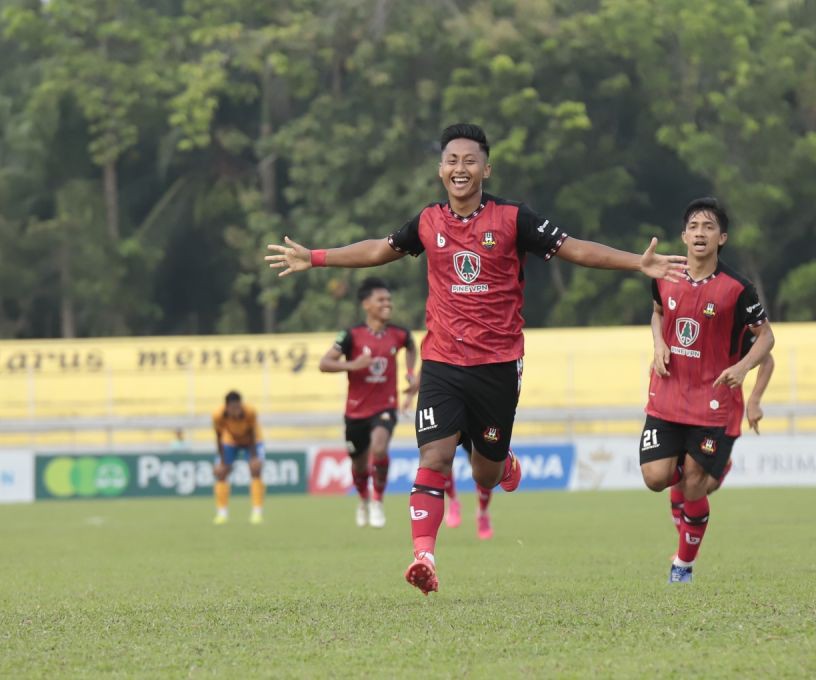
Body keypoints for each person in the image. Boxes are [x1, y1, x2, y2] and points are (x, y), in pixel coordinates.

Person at [267, 123, 686, 595]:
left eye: (470, 161)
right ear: (440, 170)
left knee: (485, 472)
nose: (460, 168)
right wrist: (316, 257)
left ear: (486, 168)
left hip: (498, 364)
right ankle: (423, 556)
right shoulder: (428, 221)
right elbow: (378, 249)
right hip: (443, 362)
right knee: (435, 455)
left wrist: (638, 262)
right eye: (451, 161)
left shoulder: (513, 218)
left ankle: (501, 460)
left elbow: (575, 248)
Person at [642, 197, 775, 583]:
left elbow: (767, 342)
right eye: (694, 227)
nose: (700, 233)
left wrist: (744, 374)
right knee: (655, 478)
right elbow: (657, 313)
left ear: (722, 238)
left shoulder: (737, 290)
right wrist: (658, 344)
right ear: (684, 235)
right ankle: (696, 473)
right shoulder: (665, 274)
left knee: (695, 485)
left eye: (709, 228)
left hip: (712, 403)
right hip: (667, 394)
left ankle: (682, 566)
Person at [319, 277, 418, 529]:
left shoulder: (398, 333)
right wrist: (353, 365)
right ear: (366, 304)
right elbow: (325, 363)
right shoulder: (351, 336)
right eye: (381, 300)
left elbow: (411, 345)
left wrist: (410, 373)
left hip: (385, 406)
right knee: (359, 465)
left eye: (389, 300)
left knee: (380, 447)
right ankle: (363, 500)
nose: (388, 304)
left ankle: (377, 501)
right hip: (355, 412)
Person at [668, 329, 776, 532]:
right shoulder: (690, 317)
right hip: (689, 410)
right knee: (683, 481)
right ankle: (684, 549)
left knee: (702, 486)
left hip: (724, 416)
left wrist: (754, 401)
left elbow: (767, 361)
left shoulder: (738, 327)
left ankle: (723, 465)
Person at [212, 390, 266, 525]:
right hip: (230, 441)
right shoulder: (218, 415)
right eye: (233, 408)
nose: (236, 411)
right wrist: (223, 461)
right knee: (221, 472)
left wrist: (254, 457)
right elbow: (218, 437)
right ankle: (222, 513)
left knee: (255, 468)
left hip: (252, 441)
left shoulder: (250, 412)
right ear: (227, 407)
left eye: (238, 407)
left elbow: (252, 433)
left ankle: (257, 512)